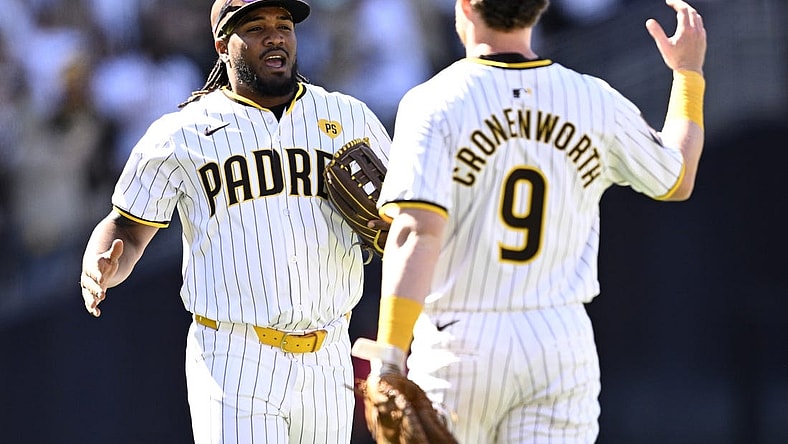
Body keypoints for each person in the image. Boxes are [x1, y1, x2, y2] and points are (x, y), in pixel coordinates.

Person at [358, 0, 706, 442]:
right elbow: (676, 177)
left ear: (465, 6)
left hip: (461, 340)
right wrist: (688, 75)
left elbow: (416, 231)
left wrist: (389, 354)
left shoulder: (432, 102)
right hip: (558, 337)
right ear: (538, 9)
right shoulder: (593, 99)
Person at [78, 1, 391, 443]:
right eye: (257, 27)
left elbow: (402, 214)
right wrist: (102, 264)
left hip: (329, 351)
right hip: (235, 355)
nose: (276, 36)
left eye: (284, 25)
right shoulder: (182, 133)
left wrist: (391, 226)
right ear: (223, 44)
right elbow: (126, 226)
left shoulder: (348, 117)